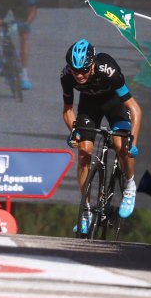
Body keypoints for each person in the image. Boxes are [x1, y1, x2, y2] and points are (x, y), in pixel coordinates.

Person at [61, 39, 143, 223]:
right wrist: (74, 132)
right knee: (84, 152)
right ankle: (86, 210)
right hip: (89, 106)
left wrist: (133, 142)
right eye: (75, 70)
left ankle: (130, 185)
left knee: (121, 146)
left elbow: (135, 108)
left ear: (92, 64)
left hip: (114, 104)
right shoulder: (66, 75)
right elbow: (67, 110)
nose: (79, 75)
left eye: (83, 70)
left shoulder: (108, 69)